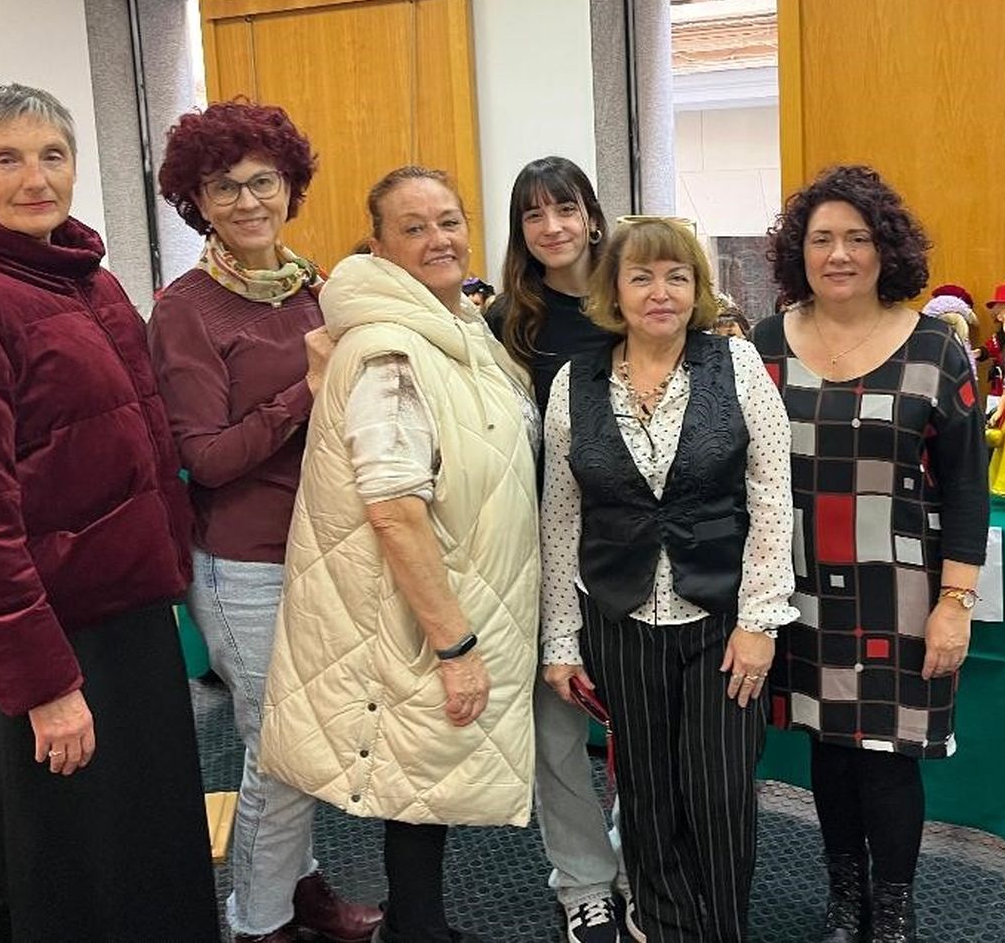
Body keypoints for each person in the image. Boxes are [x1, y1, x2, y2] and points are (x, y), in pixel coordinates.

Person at [0, 83, 219, 942]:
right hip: (58, 635)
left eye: (52, 156)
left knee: (116, 847)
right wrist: (45, 686)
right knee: (82, 865)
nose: (35, 178)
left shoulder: (90, 283)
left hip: (129, 615)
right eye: (6, 158)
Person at [260, 166, 541, 943]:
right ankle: (416, 932)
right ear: (379, 246)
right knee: (411, 777)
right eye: (413, 227)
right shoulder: (392, 354)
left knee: (422, 784)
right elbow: (393, 510)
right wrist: (455, 644)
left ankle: (420, 926)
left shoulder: (461, 332)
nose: (437, 239)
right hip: (421, 610)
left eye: (448, 221)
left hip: (461, 588)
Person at [148, 101, 382, 943]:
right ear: (197, 202)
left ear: (290, 188)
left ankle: (297, 886)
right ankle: (256, 922)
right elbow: (205, 458)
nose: (248, 201)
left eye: (263, 182)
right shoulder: (188, 310)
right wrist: (305, 392)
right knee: (282, 750)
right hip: (243, 560)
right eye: (224, 187)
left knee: (308, 742)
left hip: (328, 548)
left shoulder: (318, 288)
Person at [540, 216, 796, 943]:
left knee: (718, 796)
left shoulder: (736, 366)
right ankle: (658, 924)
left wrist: (759, 622)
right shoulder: (574, 382)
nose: (661, 292)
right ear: (613, 292)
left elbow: (773, 495)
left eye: (677, 277)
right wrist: (561, 639)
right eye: (642, 277)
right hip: (618, 615)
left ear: (697, 290)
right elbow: (560, 516)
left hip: (721, 618)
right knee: (646, 793)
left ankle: (720, 931)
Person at [753, 165, 989, 943]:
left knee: (888, 755)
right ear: (800, 252)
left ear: (886, 249)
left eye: (857, 237)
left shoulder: (936, 348)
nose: (840, 253)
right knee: (830, 747)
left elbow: (965, 491)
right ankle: (843, 898)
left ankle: (892, 907)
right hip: (798, 585)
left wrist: (955, 605)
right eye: (822, 238)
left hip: (904, 589)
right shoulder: (763, 345)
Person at [485, 157, 626, 943]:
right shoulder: (510, 321)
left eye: (565, 209)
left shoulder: (634, 297)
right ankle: (583, 884)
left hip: (637, 546)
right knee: (556, 727)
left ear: (592, 215)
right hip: (544, 547)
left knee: (643, 722)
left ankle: (636, 862)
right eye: (534, 216)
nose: (553, 228)